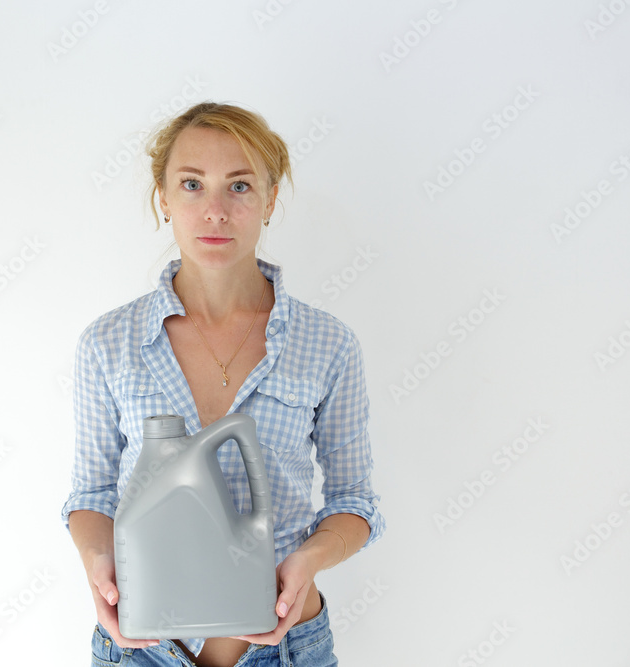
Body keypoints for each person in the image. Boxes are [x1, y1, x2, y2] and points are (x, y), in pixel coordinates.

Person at [62, 101, 385, 667]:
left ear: (270, 199)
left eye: (239, 186)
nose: (215, 211)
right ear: (164, 198)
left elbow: (355, 503)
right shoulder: (107, 343)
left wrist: (308, 560)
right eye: (192, 185)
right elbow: (92, 496)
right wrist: (98, 565)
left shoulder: (328, 344)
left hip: (285, 648)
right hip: (143, 650)